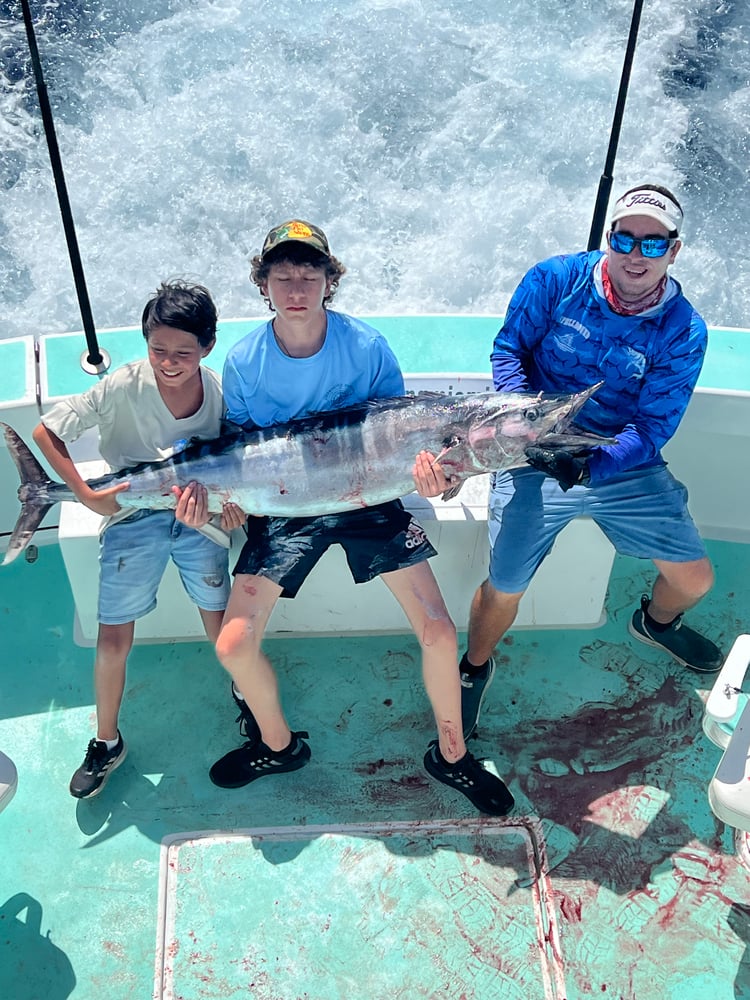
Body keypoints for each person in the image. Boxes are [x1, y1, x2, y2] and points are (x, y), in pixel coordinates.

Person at [200, 218, 514, 816]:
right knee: (234, 645)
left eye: (309, 273)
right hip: (285, 507)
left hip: (370, 501)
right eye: (282, 274)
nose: (296, 285)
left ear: (329, 281)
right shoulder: (243, 363)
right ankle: (277, 746)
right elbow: (238, 452)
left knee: (441, 632)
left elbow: (412, 445)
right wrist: (226, 505)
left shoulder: (367, 346)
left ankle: (452, 755)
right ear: (263, 283)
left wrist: (439, 480)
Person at [415, 184, 724, 741]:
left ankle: (655, 623)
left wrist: (591, 467)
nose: (635, 253)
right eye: (624, 238)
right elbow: (509, 350)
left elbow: (652, 428)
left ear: (673, 251)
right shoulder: (555, 279)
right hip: (529, 442)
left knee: (696, 578)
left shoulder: (683, 331)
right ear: (608, 239)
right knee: (505, 582)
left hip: (617, 455)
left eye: (652, 244)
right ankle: (474, 667)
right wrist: (524, 421)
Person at [32, 280, 245, 799]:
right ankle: (107, 740)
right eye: (158, 350)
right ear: (144, 342)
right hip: (131, 516)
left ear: (207, 348)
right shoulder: (120, 385)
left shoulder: (218, 392)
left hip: (200, 518)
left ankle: (246, 694)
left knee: (223, 627)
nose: (169, 362)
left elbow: (234, 467)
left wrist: (232, 510)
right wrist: (85, 494)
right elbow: (46, 432)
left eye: (183, 353)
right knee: (112, 638)